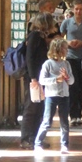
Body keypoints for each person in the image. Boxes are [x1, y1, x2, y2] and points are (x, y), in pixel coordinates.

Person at [20, 12, 55, 149]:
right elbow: (30, 58)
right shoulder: (34, 36)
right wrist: (34, 78)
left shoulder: (41, 37)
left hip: (41, 78)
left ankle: (35, 137)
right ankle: (25, 138)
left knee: (39, 108)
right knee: (31, 107)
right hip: (33, 78)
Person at [34, 37, 74, 154]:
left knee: (64, 122)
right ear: (58, 49)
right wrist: (56, 79)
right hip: (51, 96)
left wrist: (66, 77)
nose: (67, 50)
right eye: (65, 48)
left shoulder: (66, 64)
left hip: (64, 96)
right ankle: (38, 143)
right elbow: (42, 80)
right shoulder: (48, 64)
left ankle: (64, 144)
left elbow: (71, 81)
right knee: (47, 121)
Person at [60, 0, 82, 125]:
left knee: (81, 88)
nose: (78, 11)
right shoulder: (67, 23)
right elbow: (58, 38)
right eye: (76, 9)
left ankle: (79, 113)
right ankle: (73, 114)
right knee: (73, 86)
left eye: (81, 9)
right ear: (73, 10)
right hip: (71, 58)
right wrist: (68, 43)